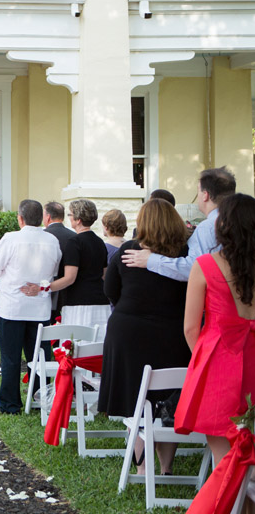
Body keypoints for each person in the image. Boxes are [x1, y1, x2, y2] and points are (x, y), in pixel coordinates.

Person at [98, 198, 191, 476]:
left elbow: (110, 290)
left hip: (129, 332)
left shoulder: (128, 249)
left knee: (135, 399)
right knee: (169, 397)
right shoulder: (184, 255)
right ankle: (165, 468)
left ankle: (141, 469)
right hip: (173, 332)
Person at [174, 193, 255, 466]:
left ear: (223, 226)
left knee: (224, 454)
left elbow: (190, 328)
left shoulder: (205, 265)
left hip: (219, 360)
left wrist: (203, 361)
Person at [0, 199, 61, 415]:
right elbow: (54, 270)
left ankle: (11, 405)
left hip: (12, 308)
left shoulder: (11, 239)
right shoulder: (52, 240)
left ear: (20, 218)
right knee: (39, 357)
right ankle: (40, 400)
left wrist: (9, 285)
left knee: (10, 358)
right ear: (42, 219)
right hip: (40, 308)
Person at [123, 166, 236, 280]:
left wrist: (151, 260)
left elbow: (196, 269)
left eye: (198, 191)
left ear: (205, 195)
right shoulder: (240, 220)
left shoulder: (208, 227)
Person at [40, 199, 110, 338]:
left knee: (78, 347)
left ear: (78, 220)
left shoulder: (75, 243)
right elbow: (104, 275)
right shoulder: (100, 242)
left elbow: (69, 278)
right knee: (98, 347)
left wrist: (45, 287)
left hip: (79, 303)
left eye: (70, 215)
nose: (69, 218)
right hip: (101, 301)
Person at [43, 201, 75, 324]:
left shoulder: (43, 236)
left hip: (46, 289)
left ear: (48, 217)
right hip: (69, 291)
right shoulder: (73, 236)